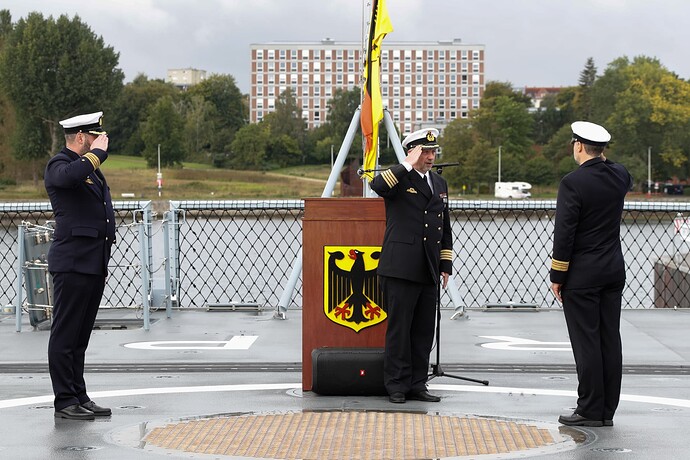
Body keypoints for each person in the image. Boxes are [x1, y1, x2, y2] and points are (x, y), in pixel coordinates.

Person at [550, 121, 633, 427]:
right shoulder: (620, 175)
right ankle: (606, 410)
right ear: (602, 150)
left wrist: (557, 274)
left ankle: (588, 408)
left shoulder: (572, 183)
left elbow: (565, 234)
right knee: (610, 339)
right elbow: (613, 167)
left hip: (583, 275)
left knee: (586, 342)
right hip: (613, 270)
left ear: (579, 146)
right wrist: (601, 157)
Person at [370, 128, 453, 404]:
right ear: (412, 151)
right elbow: (378, 186)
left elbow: (445, 226)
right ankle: (396, 384)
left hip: (427, 267)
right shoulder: (399, 178)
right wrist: (407, 163)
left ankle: (418, 383)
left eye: (433, 152)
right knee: (399, 329)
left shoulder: (439, 184)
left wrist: (445, 264)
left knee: (423, 330)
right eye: (425, 152)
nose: (430, 157)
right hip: (400, 267)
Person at [44, 111, 116, 420]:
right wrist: (96, 155)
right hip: (72, 262)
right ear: (82, 137)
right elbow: (68, 178)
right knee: (65, 334)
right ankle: (64, 401)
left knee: (80, 336)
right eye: (95, 136)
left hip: (92, 262)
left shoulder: (90, 169)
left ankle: (79, 394)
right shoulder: (58, 165)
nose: (101, 141)